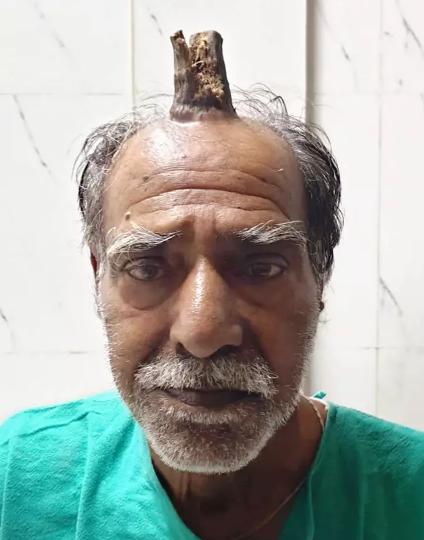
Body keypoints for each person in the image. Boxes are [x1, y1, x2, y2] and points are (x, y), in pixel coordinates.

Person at [1, 29, 424, 540]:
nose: (203, 333)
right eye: (147, 268)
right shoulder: (19, 477)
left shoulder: (410, 495)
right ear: (98, 279)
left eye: (261, 267)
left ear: (320, 276)